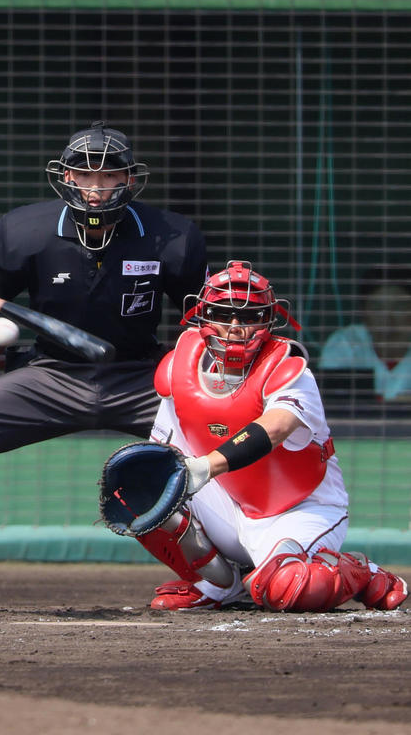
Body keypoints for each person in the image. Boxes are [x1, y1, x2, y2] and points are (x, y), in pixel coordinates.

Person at [0, 121, 208, 606]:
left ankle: (240, 566)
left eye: (109, 175)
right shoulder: (22, 230)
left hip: (141, 378)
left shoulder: (173, 236)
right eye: (84, 175)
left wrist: (204, 389)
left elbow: (202, 324)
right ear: (65, 177)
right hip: (50, 376)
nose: (95, 187)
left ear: (129, 179)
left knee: (228, 437)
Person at [132, 261, 406, 611]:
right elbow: (163, 449)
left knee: (291, 589)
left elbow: (275, 427)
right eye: (223, 314)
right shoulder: (178, 368)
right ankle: (217, 584)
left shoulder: (288, 368)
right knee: (136, 486)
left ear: (268, 320)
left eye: (249, 317)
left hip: (297, 508)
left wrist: (205, 466)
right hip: (227, 504)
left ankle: (362, 572)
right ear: (203, 317)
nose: (235, 327)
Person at [318, 267, 411, 402]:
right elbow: (328, 401)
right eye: (377, 308)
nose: (387, 318)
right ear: (363, 312)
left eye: (398, 307)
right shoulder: (345, 343)